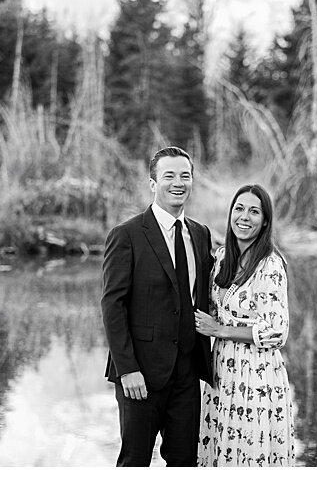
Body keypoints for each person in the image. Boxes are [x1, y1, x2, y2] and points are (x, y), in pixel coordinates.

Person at [100, 146, 215, 466]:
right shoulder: (126, 235)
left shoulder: (200, 234)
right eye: (169, 176)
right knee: (135, 462)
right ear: (153, 184)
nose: (178, 182)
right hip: (140, 374)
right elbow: (113, 306)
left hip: (187, 375)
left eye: (185, 175)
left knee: (185, 462)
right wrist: (128, 370)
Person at [194, 185, 296, 466]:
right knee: (222, 451)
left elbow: (277, 331)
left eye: (254, 211)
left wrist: (221, 331)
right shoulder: (222, 259)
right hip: (223, 373)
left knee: (250, 453)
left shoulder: (270, 265)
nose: (244, 217)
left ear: (265, 221)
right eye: (239, 209)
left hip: (256, 373)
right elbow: (212, 311)